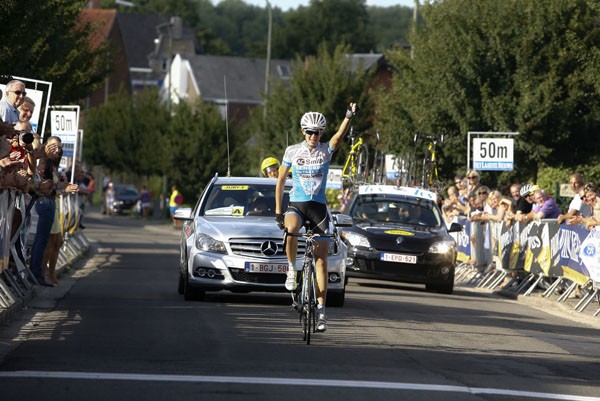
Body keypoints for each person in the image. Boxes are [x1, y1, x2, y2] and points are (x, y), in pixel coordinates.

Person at [275, 102, 358, 333]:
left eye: (317, 132)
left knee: (321, 259)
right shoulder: (292, 151)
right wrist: (278, 212)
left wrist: (348, 117)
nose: (313, 136)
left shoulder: (325, 150)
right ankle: (292, 270)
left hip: (319, 208)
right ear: (303, 131)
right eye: (310, 132)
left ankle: (321, 310)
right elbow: (281, 181)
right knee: (291, 230)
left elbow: (339, 137)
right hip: (298, 205)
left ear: (321, 133)